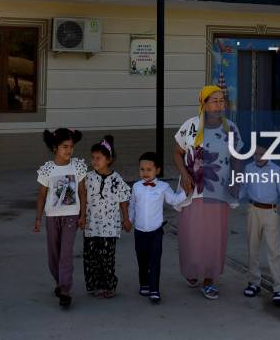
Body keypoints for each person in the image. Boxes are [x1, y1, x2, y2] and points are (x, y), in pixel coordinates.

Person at [173, 85, 244, 300]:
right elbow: (177, 153)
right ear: (203, 104)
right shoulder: (190, 126)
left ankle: (209, 279)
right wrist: (184, 174)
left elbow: (237, 157)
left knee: (214, 236)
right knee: (191, 235)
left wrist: (235, 180)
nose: (219, 105)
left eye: (222, 101)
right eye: (214, 101)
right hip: (192, 190)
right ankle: (193, 270)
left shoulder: (231, 128)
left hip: (218, 191)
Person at [34, 128, 87, 308]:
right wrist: (38, 218)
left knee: (66, 254)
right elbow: (42, 195)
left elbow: (82, 192)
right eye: (65, 146)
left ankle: (65, 290)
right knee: (54, 254)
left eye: (71, 146)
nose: (69, 150)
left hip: (71, 217)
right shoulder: (48, 169)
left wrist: (83, 214)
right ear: (55, 148)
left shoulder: (77, 166)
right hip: (52, 217)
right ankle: (59, 281)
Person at [239, 141, 280, 307]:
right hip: (253, 210)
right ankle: (254, 282)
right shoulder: (248, 168)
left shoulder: (277, 170)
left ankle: (279, 288)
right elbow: (243, 189)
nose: (258, 157)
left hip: (270, 212)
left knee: (274, 250)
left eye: (262, 153)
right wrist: (231, 199)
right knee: (252, 248)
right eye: (255, 154)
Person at [129, 151, 186, 303]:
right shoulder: (136, 187)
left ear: (158, 170)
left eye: (149, 169)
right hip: (139, 231)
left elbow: (174, 200)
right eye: (142, 169)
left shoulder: (163, 187)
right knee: (142, 260)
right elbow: (132, 205)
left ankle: (154, 289)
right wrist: (129, 220)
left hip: (155, 232)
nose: (145, 172)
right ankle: (144, 284)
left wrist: (186, 191)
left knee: (154, 261)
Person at [83, 135, 132, 299]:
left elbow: (123, 200)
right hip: (91, 226)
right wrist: (81, 216)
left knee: (107, 258)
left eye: (98, 158)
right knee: (91, 257)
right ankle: (94, 285)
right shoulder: (88, 178)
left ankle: (108, 286)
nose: (94, 161)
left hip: (109, 227)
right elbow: (82, 198)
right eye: (92, 158)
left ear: (109, 160)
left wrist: (126, 219)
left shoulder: (117, 179)